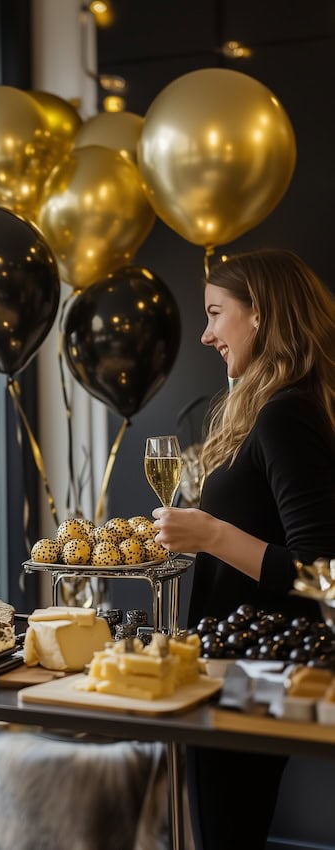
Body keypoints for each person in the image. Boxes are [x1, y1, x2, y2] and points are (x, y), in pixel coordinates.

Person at [152, 248, 335, 850]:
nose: (205, 335)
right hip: (234, 667)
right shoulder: (278, 406)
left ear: (259, 314)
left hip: (253, 674)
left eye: (214, 313)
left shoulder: (287, 414)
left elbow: (320, 573)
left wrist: (209, 534)